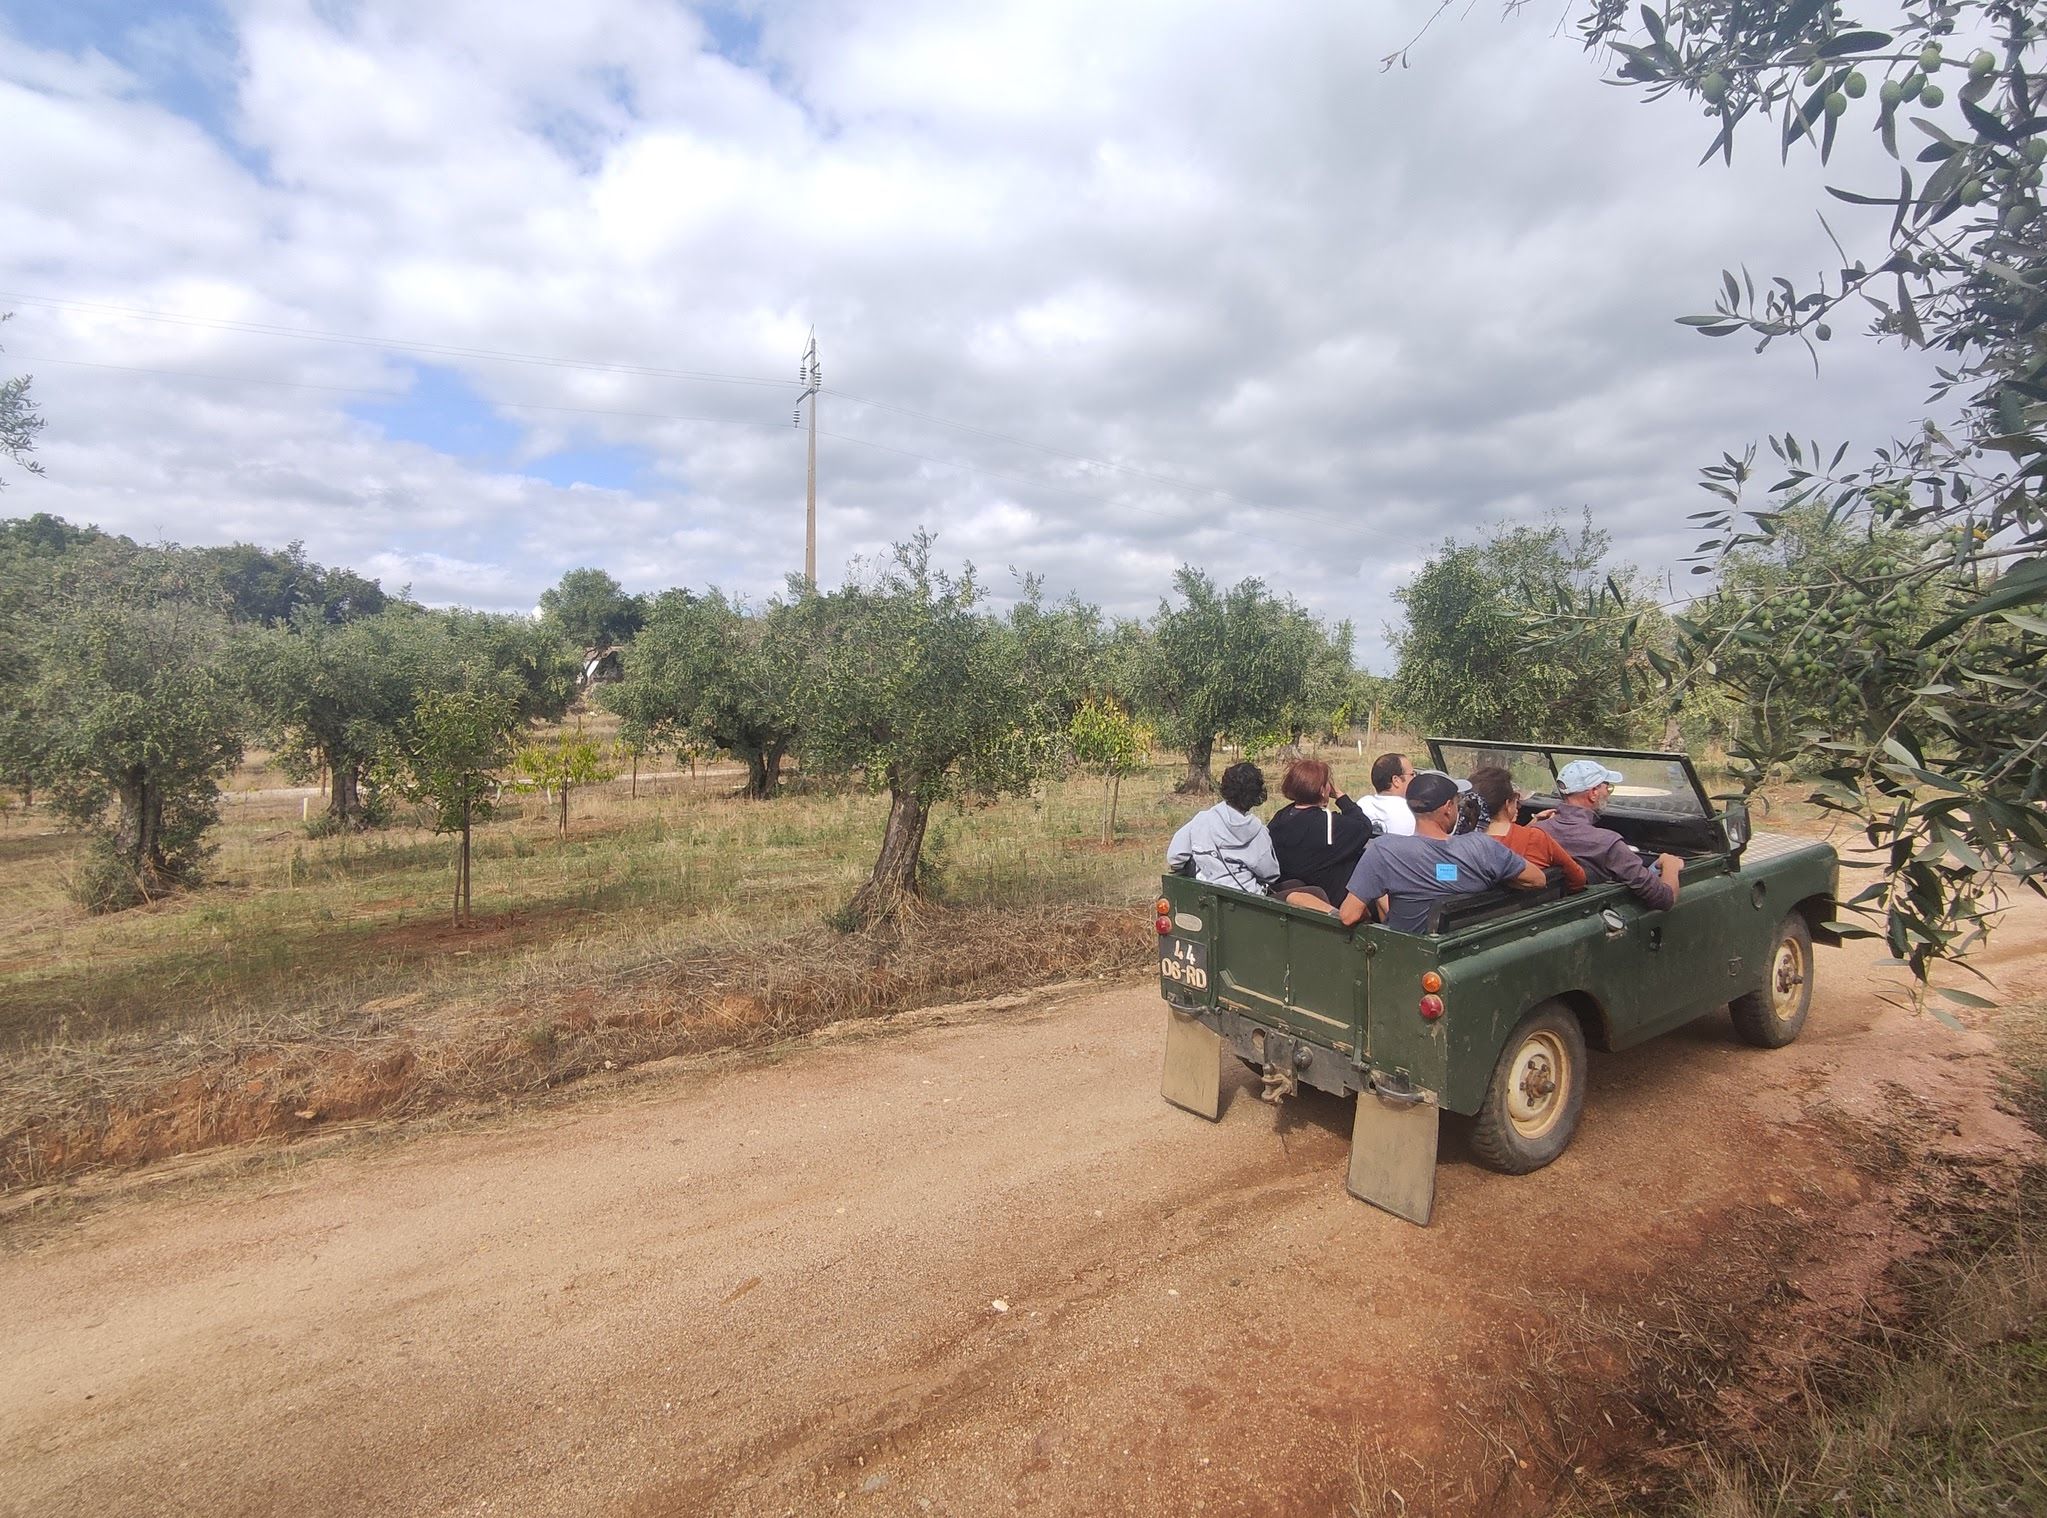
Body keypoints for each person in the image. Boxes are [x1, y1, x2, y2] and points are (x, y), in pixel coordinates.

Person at [1338, 771, 1547, 931]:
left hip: (1406, 956)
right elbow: (1538, 879)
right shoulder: (1483, 847)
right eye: (1457, 803)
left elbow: (1348, 916)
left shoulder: (1384, 851)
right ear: (1448, 807)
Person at [1533, 759, 1681, 910]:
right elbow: (1663, 899)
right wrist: (1670, 865)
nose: (1608, 793)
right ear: (1593, 793)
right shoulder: (1607, 842)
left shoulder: (1536, 831)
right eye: (1607, 788)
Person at [1267, 758, 1375, 911]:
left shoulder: (1280, 818)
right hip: (1331, 902)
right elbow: (1364, 826)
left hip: (1292, 893)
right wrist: (1340, 796)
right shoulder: (1329, 825)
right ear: (1323, 790)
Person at [1166, 761, 1281, 894]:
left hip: (1205, 896)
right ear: (1257, 795)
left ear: (1225, 788)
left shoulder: (1201, 820)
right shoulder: (1258, 832)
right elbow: (1271, 875)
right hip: (1249, 902)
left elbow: (1175, 857)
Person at [1467, 766, 1586, 892]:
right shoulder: (1536, 838)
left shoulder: (1458, 845)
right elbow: (1578, 878)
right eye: (1516, 800)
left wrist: (1530, 825)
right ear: (1507, 804)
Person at [1358, 752, 1416, 837]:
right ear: (1396, 781)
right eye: (1412, 774)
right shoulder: (1414, 812)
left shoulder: (1362, 804)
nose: (1415, 778)